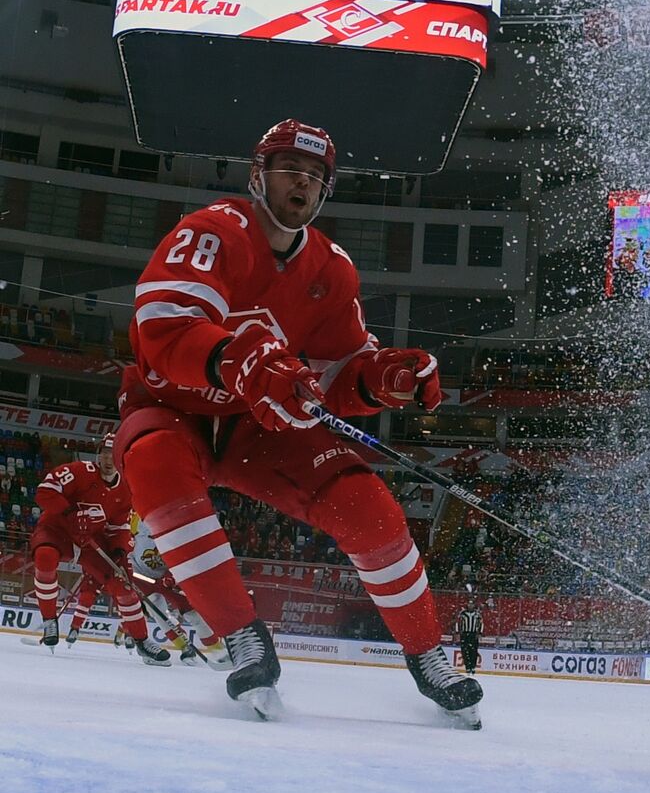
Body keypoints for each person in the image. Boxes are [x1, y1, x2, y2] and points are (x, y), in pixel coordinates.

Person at [116, 118, 482, 725]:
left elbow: (340, 376)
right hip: (172, 408)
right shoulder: (210, 232)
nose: (303, 183)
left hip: (255, 425)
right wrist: (242, 360)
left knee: (366, 503)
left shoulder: (332, 270)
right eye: (291, 169)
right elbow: (162, 331)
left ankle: (429, 657)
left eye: (316, 176)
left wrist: (386, 377)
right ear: (258, 176)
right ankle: (243, 639)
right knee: (152, 458)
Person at [29, 434, 171, 666]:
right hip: (57, 531)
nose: (108, 458)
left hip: (91, 541)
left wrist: (118, 550)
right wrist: (69, 512)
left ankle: (142, 641)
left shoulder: (125, 490)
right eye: (105, 452)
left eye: (113, 453)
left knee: (124, 586)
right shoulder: (78, 471)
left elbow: (119, 526)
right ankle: (48, 620)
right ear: (98, 455)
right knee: (45, 557)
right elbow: (44, 492)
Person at [130, 513, 230, 667]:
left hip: (166, 577)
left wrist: (172, 575)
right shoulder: (137, 518)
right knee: (158, 612)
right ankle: (185, 647)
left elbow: (185, 554)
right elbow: (124, 538)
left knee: (191, 612)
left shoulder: (176, 522)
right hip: (142, 576)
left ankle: (217, 649)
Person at [456, 601, 482, 675]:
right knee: (465, 651)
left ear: (474, 605)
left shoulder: (477, 614)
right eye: (469, 604)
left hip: (473, 634)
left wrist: (480, 633)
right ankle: (467, 667)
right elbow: (458, 623)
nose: (470, 605)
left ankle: (473, 667)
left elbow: (481, 624)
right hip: (465, 634)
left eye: (472, 604)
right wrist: (458, 633)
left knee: (474, 651)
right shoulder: (463, 614)